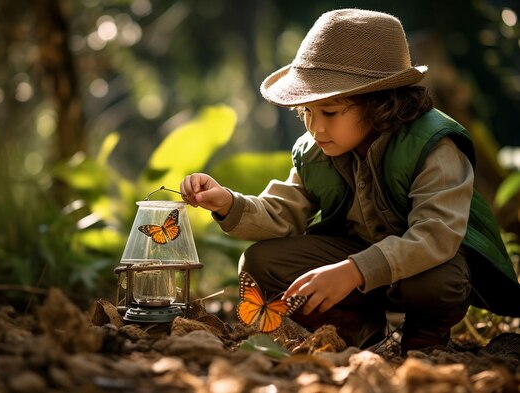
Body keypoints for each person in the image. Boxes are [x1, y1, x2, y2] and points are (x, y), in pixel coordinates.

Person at [180, 8, 520, 354]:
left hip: (422, 264)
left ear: (380, 102)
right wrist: (227, 203)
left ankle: (425, 336)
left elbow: (437, 235)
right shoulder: (317, 150)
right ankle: (356, 327)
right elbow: (284, 211)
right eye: (307, 111)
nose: (316, 127)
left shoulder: (433, 146)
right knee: (259, 263)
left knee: (439, 280)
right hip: (354, 263)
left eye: (330, 112)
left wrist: (354, 271)